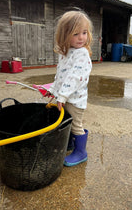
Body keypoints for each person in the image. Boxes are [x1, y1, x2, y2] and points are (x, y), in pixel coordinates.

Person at [45, 9, 93, 167]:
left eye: (84, 33)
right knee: (66, 121)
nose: (81, 38)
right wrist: (53, 89)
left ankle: (81, 152)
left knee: (76, 124)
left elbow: (75, 77)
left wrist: (63, 95)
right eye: (75, 34)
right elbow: (60, 75)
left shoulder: (82, 54)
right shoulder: (66, 53)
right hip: (65, 97)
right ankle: (71, 144)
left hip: (75, 99)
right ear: (64, 35)